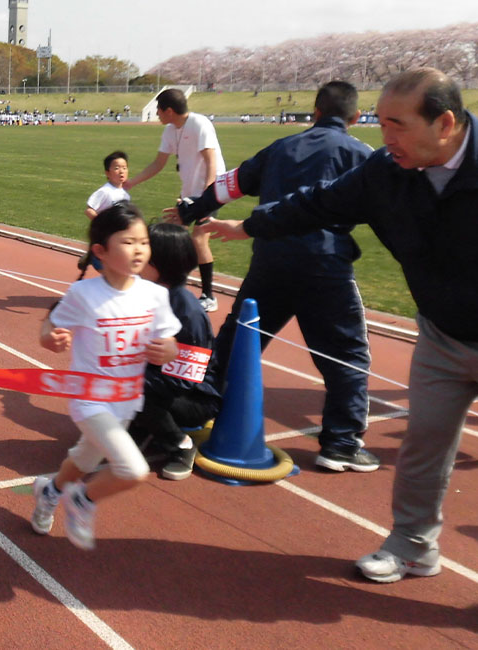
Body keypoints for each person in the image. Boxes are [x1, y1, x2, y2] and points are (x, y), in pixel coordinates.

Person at [201, 68, 478, 583]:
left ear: (444, 123)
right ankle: (411, 543)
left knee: (263, 341)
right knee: (423, 444)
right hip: (441, 332)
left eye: (396, 124)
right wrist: (248, 226)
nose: (383, 135)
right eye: (378, 121)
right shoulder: (383, 168)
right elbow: (319, 202)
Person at [166, 81, 378, 473]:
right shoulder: (361, 154)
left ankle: (196, 411)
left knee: (237, 341)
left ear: (314, 112)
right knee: (345, 355)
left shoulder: (281, 148)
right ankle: (341, 444)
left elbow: (232, 183)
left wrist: (193, 210)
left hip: (270, 261)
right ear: (354, 117)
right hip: (325, 266)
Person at [30, 203, 180, 550]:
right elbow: (50, 326)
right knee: (132, 470)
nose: (139, 249)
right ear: (101, 251)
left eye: (143, 241)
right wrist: (51, 339)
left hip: (127, 401)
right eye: (128, 242)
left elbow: (170, 340)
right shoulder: (84, 295)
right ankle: (81, 502)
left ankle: (49, 492)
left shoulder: (155, 295)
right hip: (89, 400)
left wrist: (167, 351)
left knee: (84, 459)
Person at [129, 223, 222, 480]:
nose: (135, 254)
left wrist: (133, 379)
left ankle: (180, 444)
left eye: (144, 249)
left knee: (131, 390)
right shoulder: (144, 293)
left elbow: (185, 379)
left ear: (162, 263)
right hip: (158, 379)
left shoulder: (188, 312)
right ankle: (141, 426)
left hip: (194, 396)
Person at [125, 88, 226, 312]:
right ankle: (165, 286)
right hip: (189, 192)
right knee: (170, 233)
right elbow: (158, 163)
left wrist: (208, 198)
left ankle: (209, 296)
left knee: (199, 238)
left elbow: (211, 160)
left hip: (211, 192)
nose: (157, 115)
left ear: (169, 111)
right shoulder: (170, 131)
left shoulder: (199, 124)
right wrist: (133, 182)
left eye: (158, 111)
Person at [77, 150, 130, 272]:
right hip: (104, 237)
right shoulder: (105, 191)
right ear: (107, 173)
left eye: (124, 168)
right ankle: (93, 256)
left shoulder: (125, 195)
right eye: (117, 168)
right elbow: (89, 210)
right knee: (108, 273)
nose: (121, 171)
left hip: (117, 236)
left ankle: (92, 255)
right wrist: (103, 224)